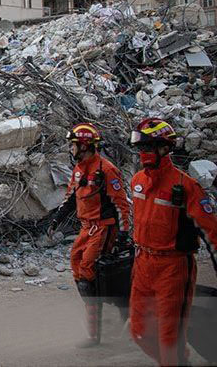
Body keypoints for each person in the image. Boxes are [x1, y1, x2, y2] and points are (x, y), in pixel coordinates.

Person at [128, 118, 217, 366]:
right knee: (140, 332)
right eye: (141, 148)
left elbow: (211, 232)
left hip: (173, 268)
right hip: (143, 264)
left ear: (164, 148)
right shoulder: (137, 181)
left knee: (169, 338)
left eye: (148, 147)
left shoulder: (186, 187)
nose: (143, 153)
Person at [47, 123, 131, 348]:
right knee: (77, 265)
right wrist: (56, 220)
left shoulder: (106, 170)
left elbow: (121, 205)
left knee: (88, 270)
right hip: (87, 228)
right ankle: (102, 316)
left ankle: (101, 328)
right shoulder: (78, 169)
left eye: (73, 145)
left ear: (84, 146)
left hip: (104, 227)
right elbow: (70, 198)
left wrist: (123, 234)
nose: (70, 149)